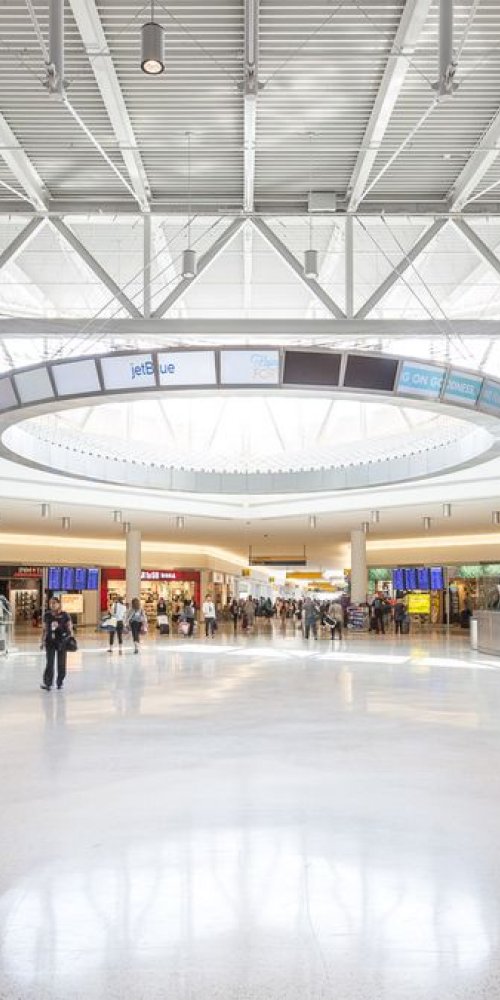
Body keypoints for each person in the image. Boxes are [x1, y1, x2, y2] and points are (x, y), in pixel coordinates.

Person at [40, 595, 73, 690]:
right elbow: (45, 629)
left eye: (54, 603)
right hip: (50, 642)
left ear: (59, 604)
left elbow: (70, 628)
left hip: (62, 642)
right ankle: (48, 683)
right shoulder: (47, 615)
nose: (52, 605)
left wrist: (70, 638)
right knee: (49, 663)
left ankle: (60, 682)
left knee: (61, 664)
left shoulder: (65, 615)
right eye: (50, 603)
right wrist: (42, 641)